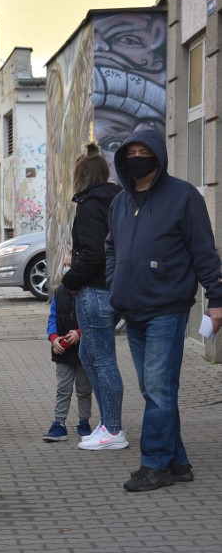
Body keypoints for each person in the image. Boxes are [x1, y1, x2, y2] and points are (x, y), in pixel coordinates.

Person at [107, 129, 222, 491]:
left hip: (167, 309)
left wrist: (216, 299)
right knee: (154, 390)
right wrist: (115, 280)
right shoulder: (120, 202)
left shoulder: (183, 197)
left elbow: (204, 251)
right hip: (132, 310)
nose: (137, 157)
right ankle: (178, 462)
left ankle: (154, 465)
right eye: (131, 152)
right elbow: (111, 247)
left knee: (158, 389)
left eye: (144, 151)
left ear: (157, 155)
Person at [61, 142, 127, 451]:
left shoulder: (89, 206)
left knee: (102, 360)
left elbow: (93, 254)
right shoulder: (115, 200)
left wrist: (69, 279)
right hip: (106, 289)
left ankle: (113, 429)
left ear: (81, 176)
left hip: (95, 292)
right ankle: (106, 424)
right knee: (89, 356)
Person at [43, 278, 93, 442]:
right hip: (62, 350)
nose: (67, 269)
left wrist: (80, 332)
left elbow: (93, 318)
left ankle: (84, 423)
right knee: (63, 389)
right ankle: (59, 424)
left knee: (84, 390)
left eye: (70, 265)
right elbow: (53, 318)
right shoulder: (59, 292)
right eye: (65, 265)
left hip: (83, 349)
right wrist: (54, 338)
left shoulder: (89, 291)